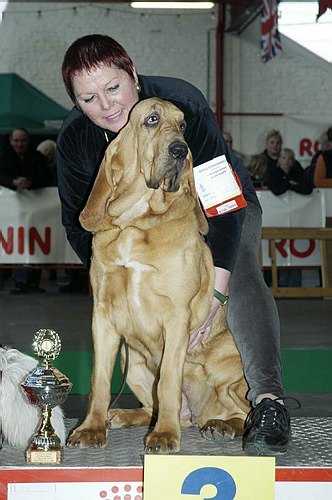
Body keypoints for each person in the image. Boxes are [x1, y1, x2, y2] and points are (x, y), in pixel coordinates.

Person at [57, 34, 292, 456]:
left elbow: (223, 208)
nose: (107, 105)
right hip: (124, 230)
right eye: (89, 99)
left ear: (133, 75)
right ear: (76, 103)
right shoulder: (76, 140)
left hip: (213, 208)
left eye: (113, 88)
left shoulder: (182, 104)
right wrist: (116, 278)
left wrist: (215, 291)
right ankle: (155, 407)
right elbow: (82, 224)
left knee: (238, 269)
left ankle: (267, 402)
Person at [0, 128, 53, 294]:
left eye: (22, 141)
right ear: (10, 141)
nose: (19, 144)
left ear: (28, 141)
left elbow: (46, 178)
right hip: (8, 216)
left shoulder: (38, 159)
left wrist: (30, 183)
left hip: (34, 215)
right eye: (16, 141)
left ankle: (31, 282)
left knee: (33, 246)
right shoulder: (3, 158)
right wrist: (12, 182)